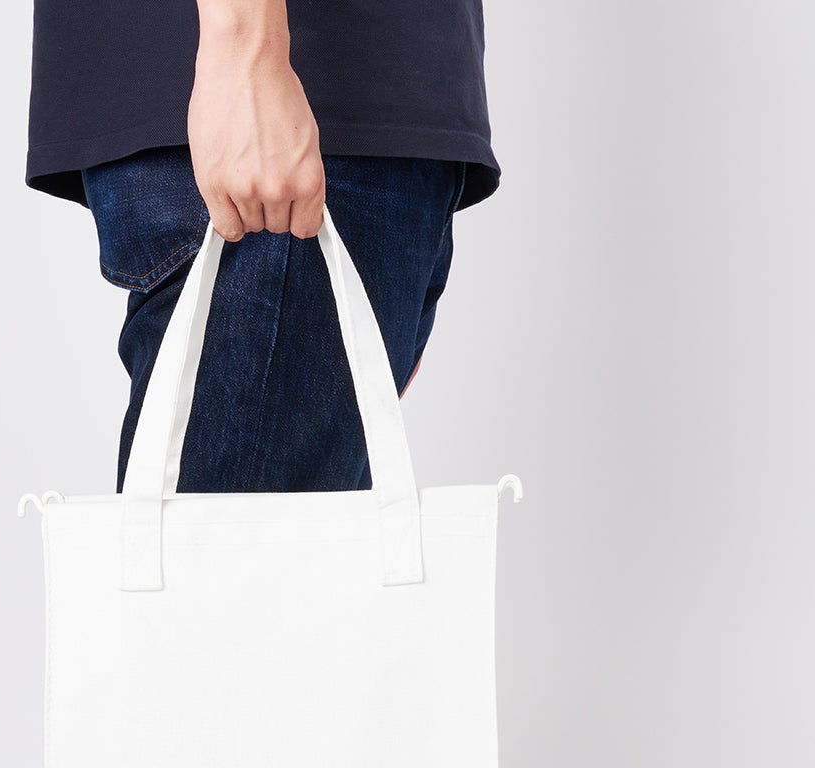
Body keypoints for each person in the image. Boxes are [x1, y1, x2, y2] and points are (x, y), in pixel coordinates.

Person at [26, 0, 499, 493]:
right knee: (225, 540)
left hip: (383, 129)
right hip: (288, 125)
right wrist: (246, 55)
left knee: (287, 536)